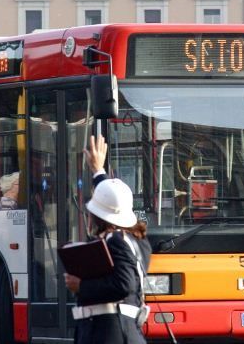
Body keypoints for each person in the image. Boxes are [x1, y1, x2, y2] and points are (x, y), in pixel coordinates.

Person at [64, 135, 151, 344]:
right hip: (122, 331)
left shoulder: (116, 241)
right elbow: (113, 200)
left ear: (98, 216)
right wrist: (98, 171)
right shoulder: (137, 240)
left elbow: (124, 284)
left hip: (109, 334)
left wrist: (81, 286)